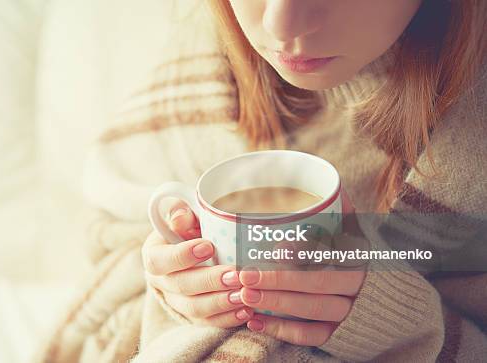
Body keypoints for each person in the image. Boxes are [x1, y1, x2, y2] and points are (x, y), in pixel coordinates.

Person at [41, 1, 487, 361]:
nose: (281, 23)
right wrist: (174, 288)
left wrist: (397, 322)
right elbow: (110, 247)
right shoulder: (209, 45)